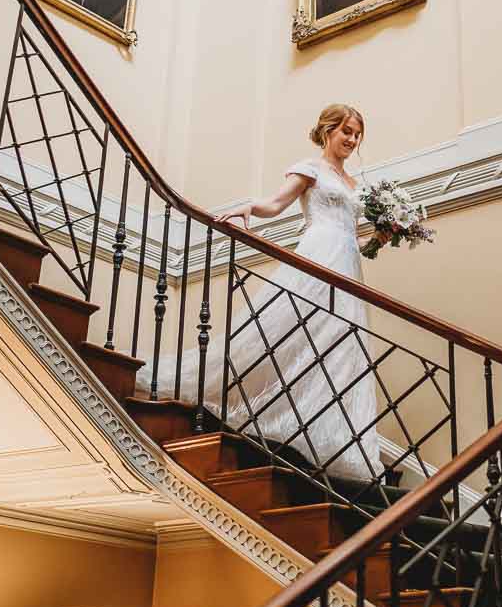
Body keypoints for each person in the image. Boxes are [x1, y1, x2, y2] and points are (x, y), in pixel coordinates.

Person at [137, 104, 387, 481]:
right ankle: (213, 388)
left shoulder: (356, 185)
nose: (351, 140)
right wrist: (248, 208)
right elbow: (276, 204)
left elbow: (359, 240)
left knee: (338, 343)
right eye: (346, 131)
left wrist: (382, 236)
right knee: (284, 329)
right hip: (318, 253)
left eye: (357, 134)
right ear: (328, 131)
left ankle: (327, 434)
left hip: (348, 264)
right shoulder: (311, 168)